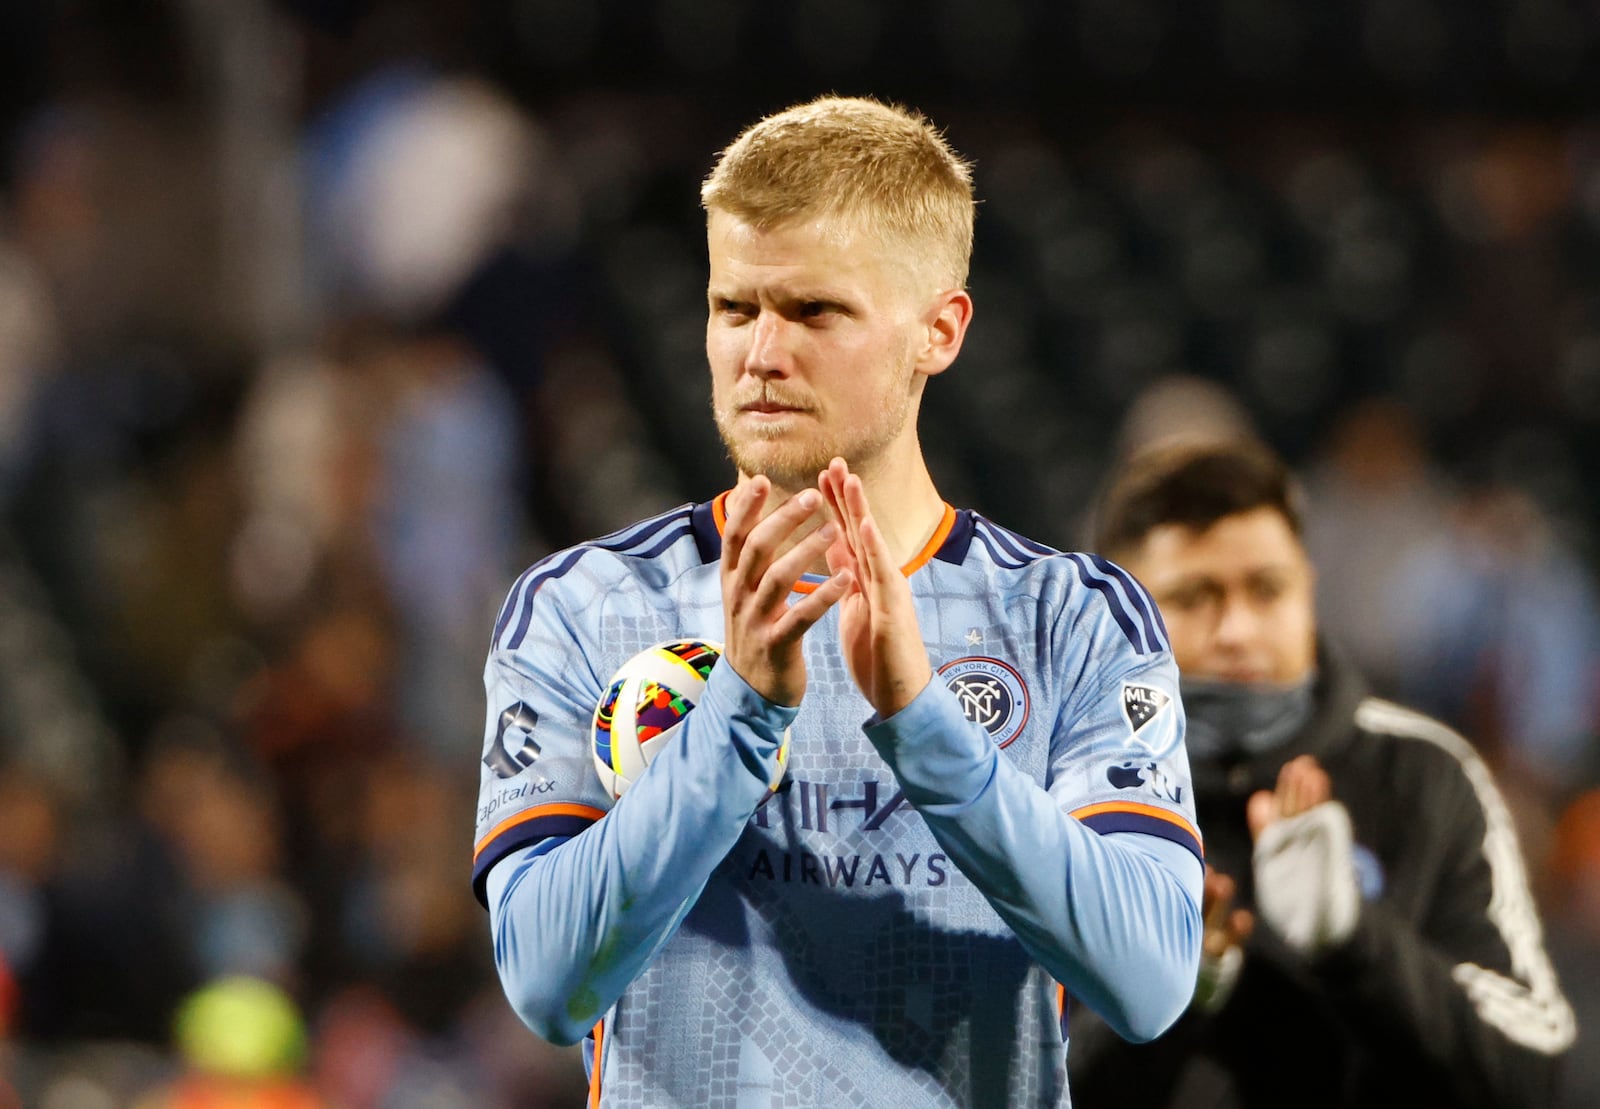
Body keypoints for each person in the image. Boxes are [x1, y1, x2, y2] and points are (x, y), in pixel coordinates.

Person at [471, 95, 1203, 1107]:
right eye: (735, 307)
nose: (760, 354)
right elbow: (547, 984)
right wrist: (737, 716)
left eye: (815, 311)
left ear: (937, 333)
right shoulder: (588, 606)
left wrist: (922, 722)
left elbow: (1150, 980)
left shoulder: (1068, 619)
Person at [1068, 437, 1576, 1108]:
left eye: (1267, 589)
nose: (1238, 631)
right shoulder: (1060, 791)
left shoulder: (1424, 773)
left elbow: (1532, 1075)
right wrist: (1165, 994)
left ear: (1308, 587)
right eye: (1196, 597)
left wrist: (1353, 940)